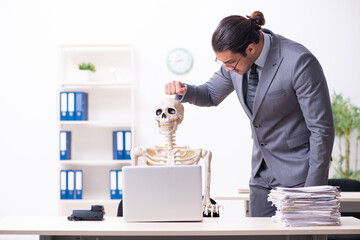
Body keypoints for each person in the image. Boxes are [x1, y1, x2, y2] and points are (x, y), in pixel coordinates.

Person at [165, 11, 335, 217]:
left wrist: (313, 191)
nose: (226, 69)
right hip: (260, 177)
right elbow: (210, 94)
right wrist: (185, 90)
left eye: (229, 63)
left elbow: (321, 130)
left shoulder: (298, 62)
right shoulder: (235, 64)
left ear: (250, 48)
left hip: (299, 177)